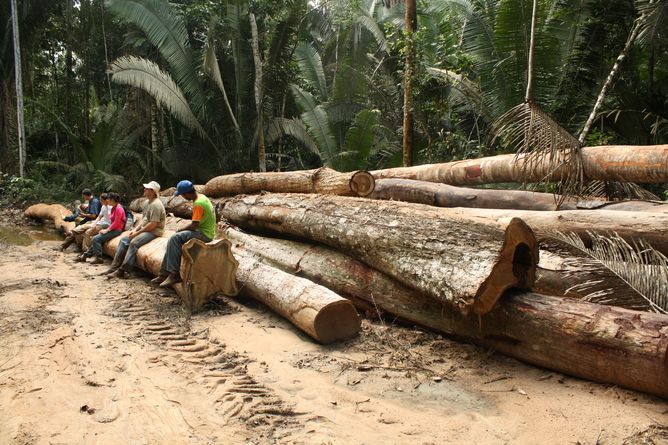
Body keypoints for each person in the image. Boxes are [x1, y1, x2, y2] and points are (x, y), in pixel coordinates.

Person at [150, 180, 215, 287]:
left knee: (175, 238)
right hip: (205, 230)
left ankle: (174, 274)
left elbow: (194, 225)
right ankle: (164, 274)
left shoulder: (198, 204)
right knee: (172, 243)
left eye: (182, 195)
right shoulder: (201, 197)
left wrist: (180, 230)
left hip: (204, 234)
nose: (183, 197)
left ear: (187, 193)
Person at [104, 181, 166, 279]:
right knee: (124, 240)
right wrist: (135, 229)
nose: (144, 189)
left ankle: (124, 270)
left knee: (134, 243)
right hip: (145, 229)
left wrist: (138, 233)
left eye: (147, 188)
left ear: (153, 191)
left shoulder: (156, 205)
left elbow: (153, 225)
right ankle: (114, 267)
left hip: (154, 232)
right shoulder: (147, 203)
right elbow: (144, 219)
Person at [76, 192, 125, 265]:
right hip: (112, 228)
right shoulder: (114, 207)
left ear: (112, 200)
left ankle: (98, 258)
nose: (107, 200)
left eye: (108, 199)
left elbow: (117, 223)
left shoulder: (118, 208)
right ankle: (86, 255)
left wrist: (107, 230)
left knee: (95, 239)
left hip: (117, 230)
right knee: (97, 239)